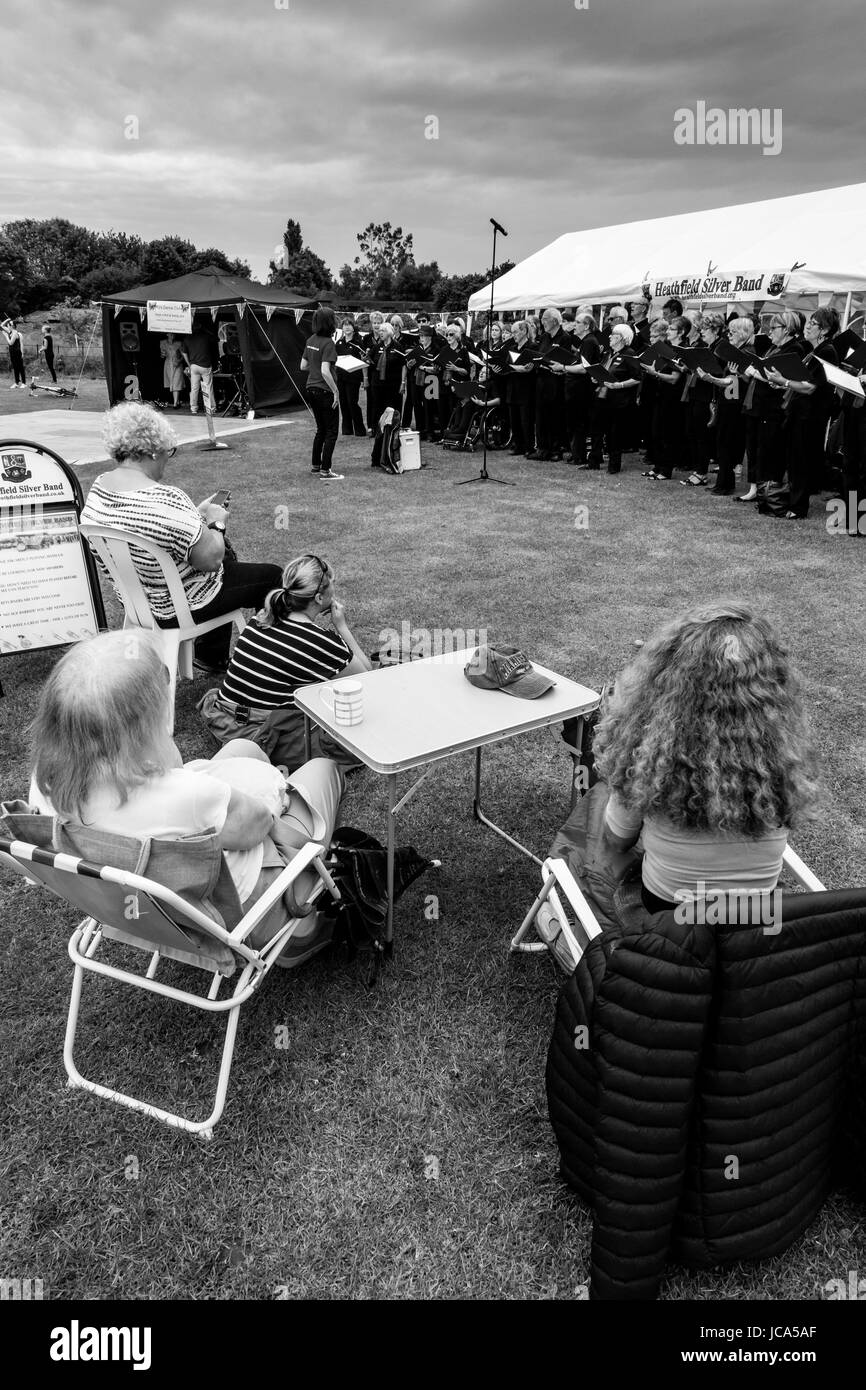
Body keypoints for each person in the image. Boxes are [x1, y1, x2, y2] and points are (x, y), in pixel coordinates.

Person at [29, 632, 343, 968]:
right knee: (323, 772)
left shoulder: (44, 786)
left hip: (151, 905)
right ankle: (301, 928)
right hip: (239, 914)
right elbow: (259, 824)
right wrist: (273, 790)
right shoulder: (180, 795)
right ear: (143, 724)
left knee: (247, 751)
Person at [591, 601, 819, 919]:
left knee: (620, 869)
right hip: (755, 919)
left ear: (666, 681)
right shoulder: (783, 761)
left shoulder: (646, 761)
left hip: (669, 920)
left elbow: (616, 841)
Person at [81, 402, 282, 673]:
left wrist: (196, 516)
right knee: (270, 575)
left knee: (228, 564)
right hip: (177, 606)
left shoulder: (99, 487)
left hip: (136, 602)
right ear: (152, 451)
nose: (167, 458)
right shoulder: (165, 498)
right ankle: (279, 662)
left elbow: (155, 529)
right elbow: (211, 560)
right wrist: (218, 522)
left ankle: (212, 656)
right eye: (168, 452)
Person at [198, 554, 371, 774]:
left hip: (224, 718)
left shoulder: (261, 618)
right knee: (351, 742)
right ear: (319, 598)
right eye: (332, 585)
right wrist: (342, 626)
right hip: (263, 732)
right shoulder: (319, 641)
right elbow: (367, 676)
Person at [766, 307, 839, 519]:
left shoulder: (827, 351)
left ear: (824, 330)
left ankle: (798, 507)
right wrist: (784, 384)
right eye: (808, 322)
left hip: (811, 415)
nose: (807, 326)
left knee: (801, 460)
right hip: (799, 411)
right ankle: (792, 500)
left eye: (813, 324)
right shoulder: (814, 350)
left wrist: (784, 381)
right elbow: (802, 383)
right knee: (795, 459)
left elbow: (810, 387)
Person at [681, 311, 726, 487]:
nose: (702, 332)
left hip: (709, 395)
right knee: (695, 432)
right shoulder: (710, 347)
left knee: (703, 435)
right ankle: (698, 469)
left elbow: (718, 371)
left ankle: (701, 471)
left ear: (715, 330)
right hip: (698, 392)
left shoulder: (720, 347)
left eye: (705, 329)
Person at [588, 323, 640, 474]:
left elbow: (637, 378)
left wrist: (620, 385)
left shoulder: (629, 354)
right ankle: (594, 461)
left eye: (614, 336)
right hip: (601, 396)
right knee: (596, 430)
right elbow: (603, 371)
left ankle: (614, 465)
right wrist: (596, 377)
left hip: (618, 400)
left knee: (614, 433)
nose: (610, 337)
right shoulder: (608, 353)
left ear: (622, 339)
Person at [551, 312, 601, 466]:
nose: (574, 325)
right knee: (575, 422)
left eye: (578, 322)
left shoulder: (589, 342)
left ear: (586, 326)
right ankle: (576, 453)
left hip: (581, 389)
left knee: (578, 422)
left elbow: (584, 368)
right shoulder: (585, 342)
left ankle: (578, 455)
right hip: (576, 387)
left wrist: (563, 367)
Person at [300, 307, 343, 481]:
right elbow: (326, 371)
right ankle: (326, 471)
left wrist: (316, 367)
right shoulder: (328, 343)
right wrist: (335, 391)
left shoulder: (311, 339)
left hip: (310, 388)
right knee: (331, 431)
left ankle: (316, 466)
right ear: (330, 323)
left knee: (321, 430)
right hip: (324, 390)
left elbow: (302, 366)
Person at [529, 308, 571, 461]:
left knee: (555, 416)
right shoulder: (544, 337)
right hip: (542, 380)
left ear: (554, 320)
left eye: (545, 319)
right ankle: (542, 448)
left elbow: (565, 359)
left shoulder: (565, 338)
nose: (543, 322)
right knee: (540, 416)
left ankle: (555, 449)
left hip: (556, 381)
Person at [505, 319, 536, 456]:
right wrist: (516, 368)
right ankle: (518, 445)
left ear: (524, 331)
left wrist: (513, 367)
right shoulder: (512, 348)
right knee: (514, 420)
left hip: (526, 389)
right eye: (512, 332)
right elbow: (507, 366)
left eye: (516, 332)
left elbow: (528, 368)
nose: (513, 335)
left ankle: (529, 447)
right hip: (513, 388)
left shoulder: (532, 347)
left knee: (526, 421)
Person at [335, 319, 368, 438]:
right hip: (341, 376)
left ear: (353, 327)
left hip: (353, 377)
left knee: (352, 402)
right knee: (343, 403)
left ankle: (359, 429)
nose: (347, 327)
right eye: (345, 325)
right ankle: (347, 429)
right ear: (342, 328)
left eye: (349, 325)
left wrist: (365, 378)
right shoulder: (339, 343)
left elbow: (364, 360)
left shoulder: (359, 342)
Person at [181, 314, 217, 415]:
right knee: (208, 387)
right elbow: (216, 339)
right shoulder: (205, 336)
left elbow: (183, 352)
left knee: (194, 388)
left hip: (194, 366)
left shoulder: (187, 338)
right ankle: (211, 408)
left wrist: (189, 363)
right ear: (200, 326)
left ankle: (193, 408)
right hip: (205, 365)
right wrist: (205, 330)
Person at [160, 333, 185, 408]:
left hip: (177, 364)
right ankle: (177, 401)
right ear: (167, 334)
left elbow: (184, 355)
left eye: (174, 334)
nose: (172, 336)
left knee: (176, 382)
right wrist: (162, 354)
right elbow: (162, 355)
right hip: (168, 364)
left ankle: (175, 404)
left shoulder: (179, 343)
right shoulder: (163, 342)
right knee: (172, 383)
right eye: (171, 334)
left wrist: (179, 361)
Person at [3, 321, 26, 388]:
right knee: (15, 368)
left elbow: (21, 344)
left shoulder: (18, 334)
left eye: (8, 325)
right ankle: (17, 382)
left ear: (12, 326)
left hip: (18, 352)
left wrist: (22, 353)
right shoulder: (10, 333)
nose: (7, 326)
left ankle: (24, 383)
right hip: (12, 353)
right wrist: (7, 320)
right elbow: (1, 326)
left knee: (21, 368)